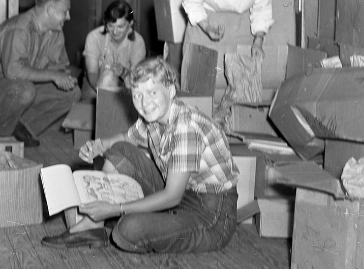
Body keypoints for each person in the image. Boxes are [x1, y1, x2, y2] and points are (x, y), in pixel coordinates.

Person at [42, 57, 239, 253]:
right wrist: (99, 146)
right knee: (120, 149)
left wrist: (116, 209)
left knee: (127, 229)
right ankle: (92, 226)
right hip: (181, 193)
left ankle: (114, 215)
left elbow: (172, 197)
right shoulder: (155, 117)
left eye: (152, 92)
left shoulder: (185, 127)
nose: (144, 103)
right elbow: (126, 139)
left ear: (170, 92)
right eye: (137, 95)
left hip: (210, 215)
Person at [0, 0, 82, 148]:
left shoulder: (55, 33)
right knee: (24, 90)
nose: (68, 17)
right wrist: (54, 76)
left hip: (21, 85)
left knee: (72, 93)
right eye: (65, 11)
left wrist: (66, 77)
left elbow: (58, 68)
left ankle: (21, 128)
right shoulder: (19, 28)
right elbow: (13, 71)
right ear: (49, 10)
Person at [82, 0, 146, 99]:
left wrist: (123, 72)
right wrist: (102, 90)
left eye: (120, 26)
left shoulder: (138, 42)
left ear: (130, 24)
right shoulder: (94, 37)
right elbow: (92, 72)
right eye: (110, 26)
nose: (115, 31)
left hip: (126, 86)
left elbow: (137, 78)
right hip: (94, 83)